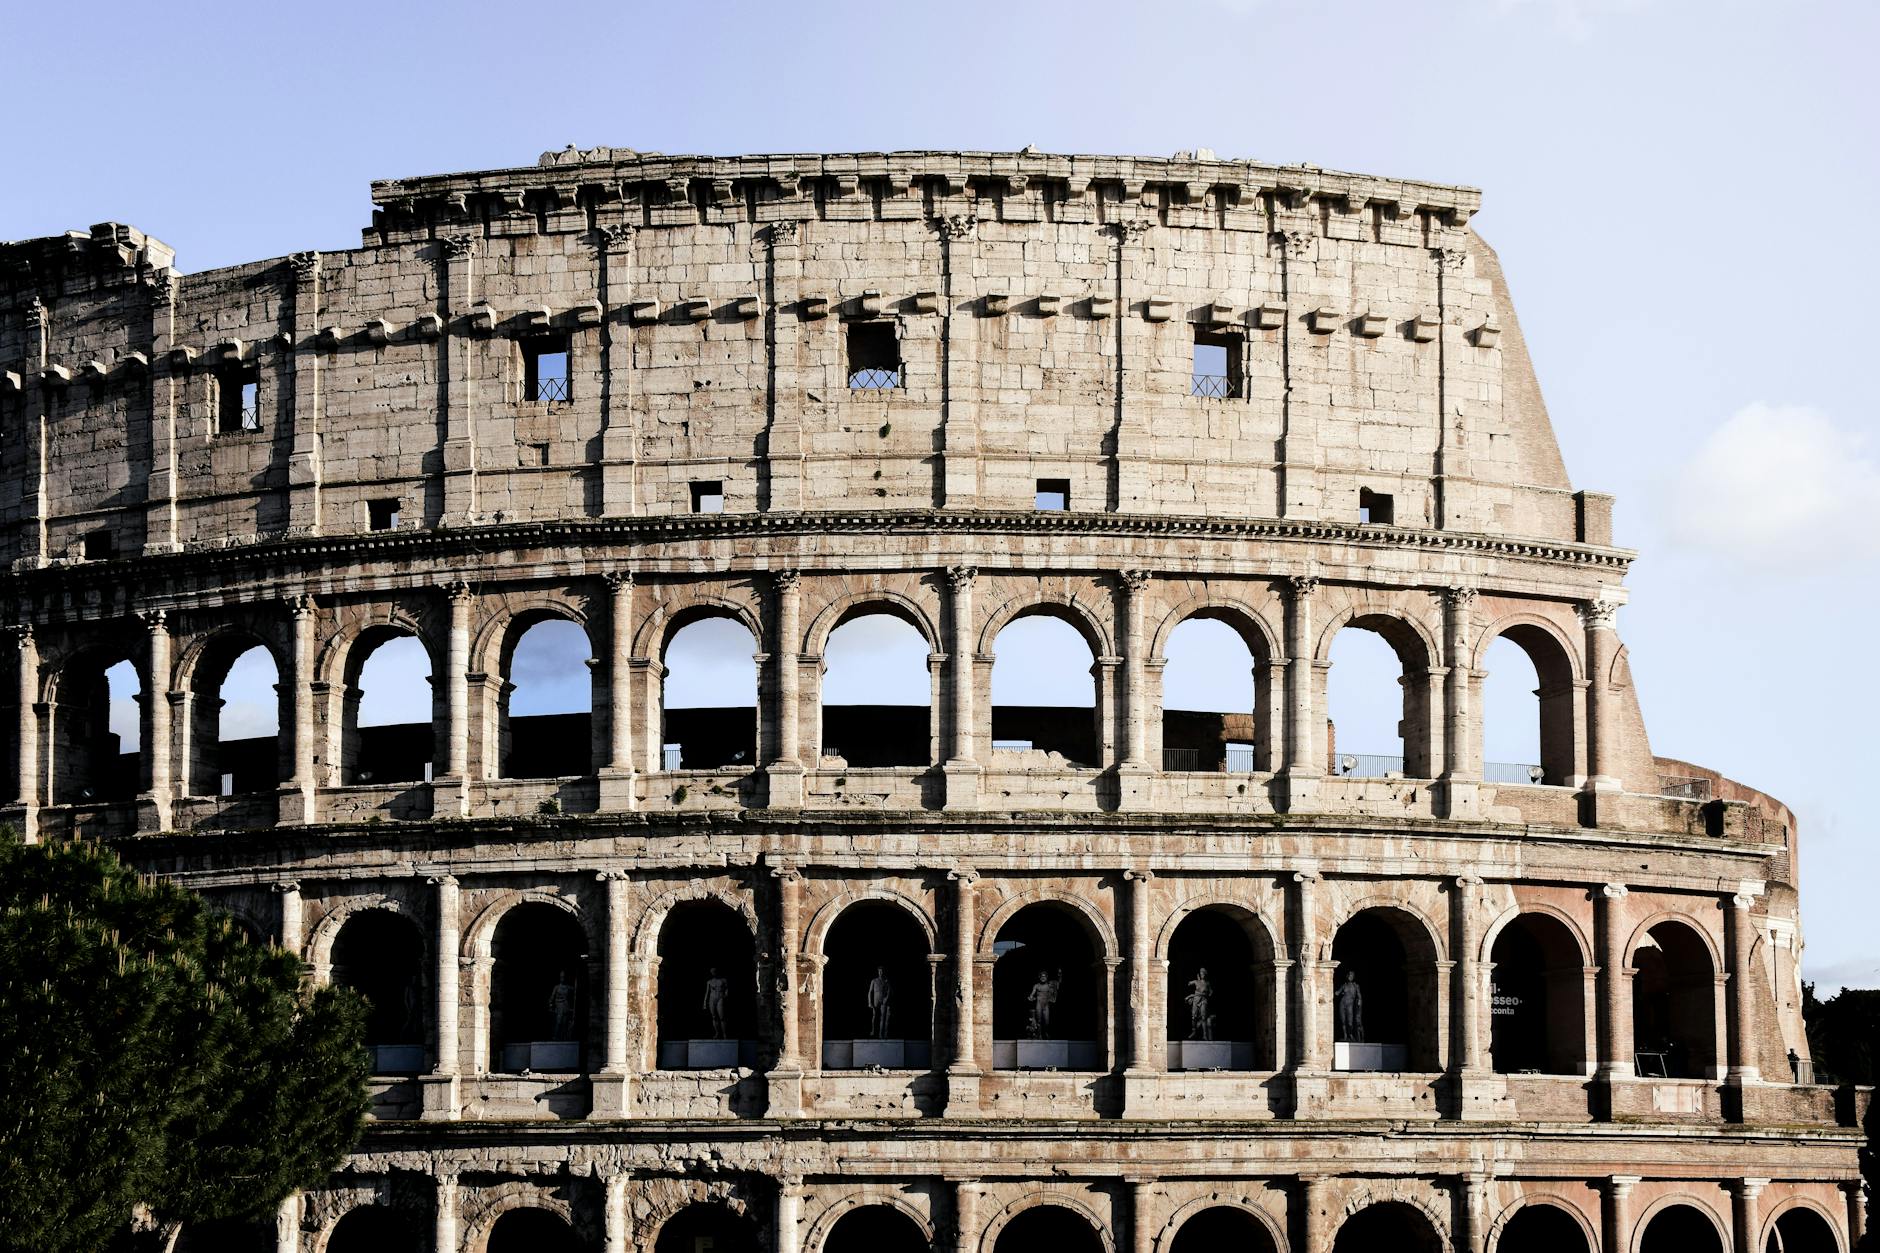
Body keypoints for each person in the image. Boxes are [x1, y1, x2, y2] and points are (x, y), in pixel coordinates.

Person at [1185, 968, 1214, 1041]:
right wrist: (1192, 982)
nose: (1202, 975)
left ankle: (1204, 1035)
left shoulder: (1207, 983)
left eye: (1203, 973)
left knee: (1203, 1017)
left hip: (1203, 1000)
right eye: (1201, 973)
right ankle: (1194, 1031)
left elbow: (1211, 992)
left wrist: (1207, 994)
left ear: (1205, 974)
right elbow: (1188, 983)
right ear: (1200, 975)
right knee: (1193, 1017)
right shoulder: (1196, 982)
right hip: (1196, 1000)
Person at [1335, 970, 1364, 1042]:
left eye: (1351, 975)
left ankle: (1350, 1034)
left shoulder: (1355, 986)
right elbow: (1337, 993)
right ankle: (1345, 1035)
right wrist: (1337, 993)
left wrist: (1359, 1002)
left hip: (1350, 1005)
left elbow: (1359, 995)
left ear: (1353, 977)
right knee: (1343, 1021)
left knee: (1350, 1022)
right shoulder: (1344, 985)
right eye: (1349, 975)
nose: (1349, 977)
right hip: (1342, 1004)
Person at [547, 970, 577, 1040]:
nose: (562, 979)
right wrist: (550, 1005)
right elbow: (552, 997)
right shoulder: (556, 987)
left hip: (565, 1006)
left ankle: (563, 1037)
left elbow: (575, 990)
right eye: (561, 977)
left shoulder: (568, 987)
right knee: (558, 1021)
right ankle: (555, 1036)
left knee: (564, 1022)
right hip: (559, 1005)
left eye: (563, 977)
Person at [703, 966, 730, 1039]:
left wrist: (726, 995)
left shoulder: (723, 980)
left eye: (714, 971)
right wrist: (705, 1002)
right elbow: (707, 992)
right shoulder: (709, 982)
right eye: (712, 971)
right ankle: (717, 1033)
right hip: (712, 999)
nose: (713, 972)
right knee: (714, 1017)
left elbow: (727, 988)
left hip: (720, 997)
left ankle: (724, 1033)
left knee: (722, 1016)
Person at [867, 965, 893, 1039]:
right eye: (880, 971)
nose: (881, 972)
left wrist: (886, 998)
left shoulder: (886, 981)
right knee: (875, 1017)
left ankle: (881, 1034)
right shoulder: (874, 980)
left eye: (882, 971)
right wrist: (869, 1002)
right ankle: (873, 1031)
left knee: (882, 1018)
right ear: (878, 972)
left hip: (883, 1001)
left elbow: (889, 991)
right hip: (876, 1001)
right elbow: (870, 992)